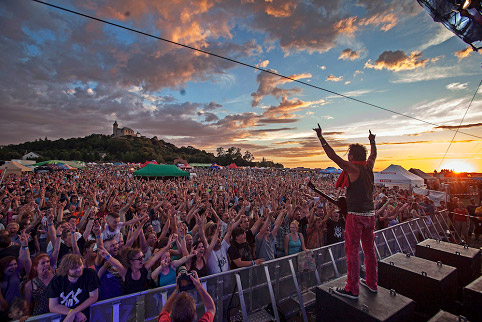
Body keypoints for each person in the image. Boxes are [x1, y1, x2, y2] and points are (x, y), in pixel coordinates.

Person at [314, 124, 377, 300]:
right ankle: (372, 283)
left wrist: (321, 138)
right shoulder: (369, 166)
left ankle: (352, 288)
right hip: (370, 214)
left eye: (348, 156)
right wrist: (372, 142)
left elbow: (333, 156)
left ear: (351, 157)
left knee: (352, 250)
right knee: (370, 250)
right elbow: (373, 155)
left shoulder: (353, 169)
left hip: (355, 216)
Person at [47, 254, 99, 322]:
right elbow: (53, 306)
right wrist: (73, 313)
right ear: (66, 269)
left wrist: (74, 312)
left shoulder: (89, 274)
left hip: (87, 316)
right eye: (74, 268)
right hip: (65, 317)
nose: (79, 269)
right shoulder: (57, 280)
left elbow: (94, 297)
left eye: (80, 265)